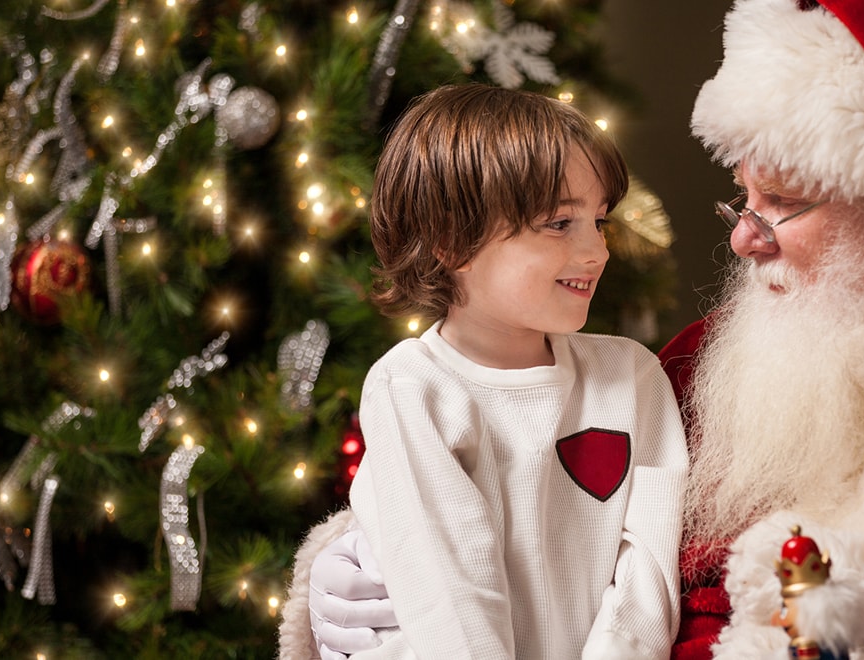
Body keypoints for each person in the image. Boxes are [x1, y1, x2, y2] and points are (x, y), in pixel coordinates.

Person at [283, 0, 864, 658]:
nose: (744, 234)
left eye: (785, 203)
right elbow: (526, 523)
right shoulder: (700, 363)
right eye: (744, 197)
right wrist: (355, 563)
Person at [277, 83, 689, 659]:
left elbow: (648, 574)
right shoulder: (413, 390)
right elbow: (451, 602)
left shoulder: (633, 377)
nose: (597, 250)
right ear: (453, 238)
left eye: (599, 221)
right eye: (559, 223)